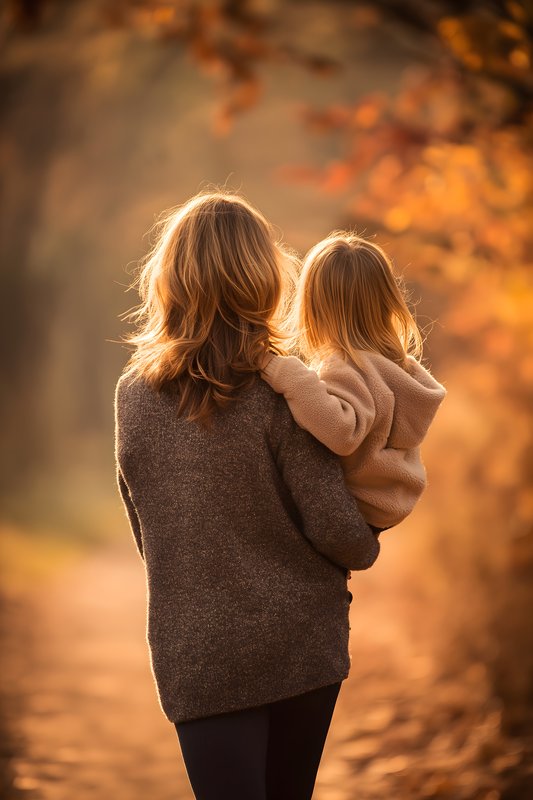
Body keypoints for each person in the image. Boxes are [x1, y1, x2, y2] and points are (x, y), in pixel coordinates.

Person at [113, 191, 381, 800]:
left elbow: (145, 530)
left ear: (169, 279)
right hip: (299, 642)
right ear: (262, 278)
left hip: (197, 651)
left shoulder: (135, 395)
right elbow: (338, 532)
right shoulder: (286, 390)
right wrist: (372, 533)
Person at [260, 232, 447, 535]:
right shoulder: (392, 369)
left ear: (313, 308)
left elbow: (341, 432)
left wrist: (284, 372)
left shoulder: (346, 367)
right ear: (386, 304)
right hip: (391, 498)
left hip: (362, 502)